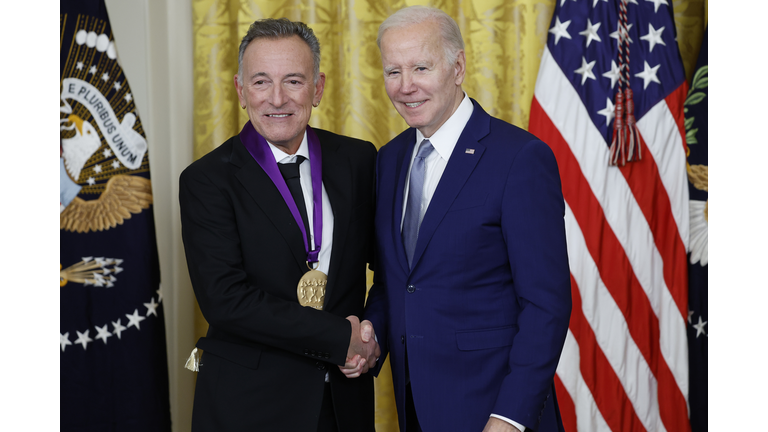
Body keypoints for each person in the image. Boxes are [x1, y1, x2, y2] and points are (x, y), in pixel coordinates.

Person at [347, 6, 572, 432]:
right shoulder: (389, 160)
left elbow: (546, 305)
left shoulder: (520, 158)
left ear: (458, 67)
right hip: (415, 407)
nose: (406, 86)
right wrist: (370, 335)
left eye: (421, 67)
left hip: (494, 410)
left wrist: (509, 418)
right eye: (393, 71)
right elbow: (397, 281)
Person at [179, 18, 379, 431]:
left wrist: (371, 336)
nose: (277, 98)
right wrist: (339, 338)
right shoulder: (207, 179)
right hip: (250, 406)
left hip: (344, 402)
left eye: (293, 81)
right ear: (240, 91)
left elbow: (390, 269)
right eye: (261, 82)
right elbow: (225, 300)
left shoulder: (358, 160)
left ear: (317, 88)